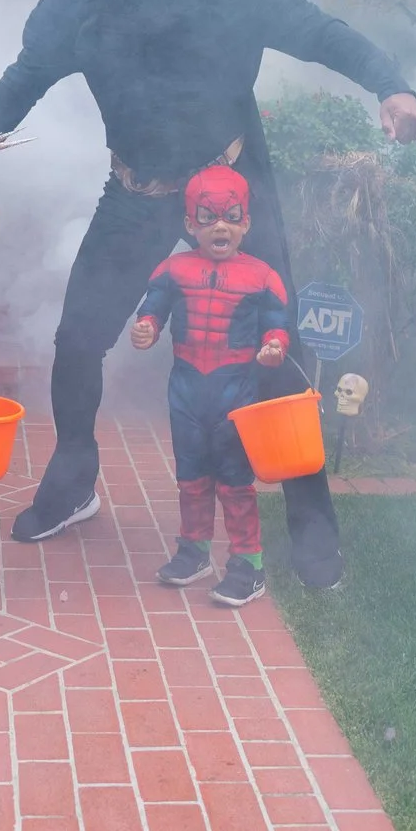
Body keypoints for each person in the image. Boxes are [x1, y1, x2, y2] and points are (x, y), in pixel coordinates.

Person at [0, 0, 416, 589]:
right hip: (137, 192)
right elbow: (21, 83)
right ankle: (74, 481)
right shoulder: (74, 10)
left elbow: (324, 34)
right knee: (78, 339)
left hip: (232, 188)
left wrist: (390, 88)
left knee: (280, 344)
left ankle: (310, 523)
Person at [130, 164, 288, 607]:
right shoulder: (173, 269)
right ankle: (194, 549)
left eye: (231, 216)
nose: (220, 225)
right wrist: (145, 327)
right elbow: (153, 307)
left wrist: (275, 345)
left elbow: (277, 324)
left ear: (245, 223)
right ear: (189, 225)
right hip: (185, 387)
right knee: (191, 475)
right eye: (207, 217)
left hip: (235, 390)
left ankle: (248, 564)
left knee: (235, 480)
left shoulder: (262, 276)